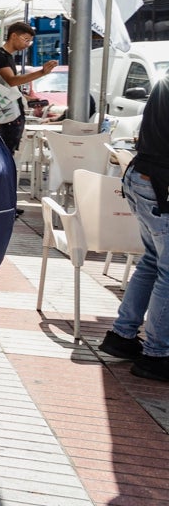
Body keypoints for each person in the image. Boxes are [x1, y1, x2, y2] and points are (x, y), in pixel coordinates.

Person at [98, 74, 169, 382]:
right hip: (160, 183)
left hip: (142, 176)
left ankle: (123, 335)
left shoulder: (164, 81)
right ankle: (156, 354)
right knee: (165, 270)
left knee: (153, 261)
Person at [0, 22, 58, 156]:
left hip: (10, 114)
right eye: (26, 40)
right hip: (5, 116)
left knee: (8, 153)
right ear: (13, 36)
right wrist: (41, 72)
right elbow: (11, 81)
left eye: (29, 41)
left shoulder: (7, 57)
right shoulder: (0, 56)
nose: (27, 44)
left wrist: (26, 98)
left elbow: (8, 85)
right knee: (4, 154)